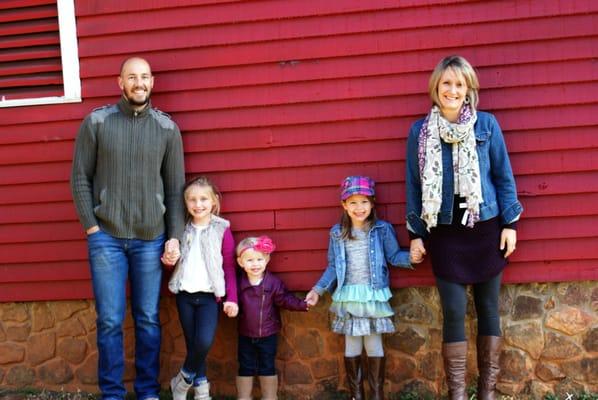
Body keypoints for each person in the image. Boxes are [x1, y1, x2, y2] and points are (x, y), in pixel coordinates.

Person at [405, 55, 523, 400]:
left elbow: (503, 177)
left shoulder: (487, 126)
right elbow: (413, 185)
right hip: (445, 233)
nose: (452, 90)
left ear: (469, 89)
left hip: (485, 229)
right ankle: (458, 395)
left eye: (459, 84)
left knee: (488, 309)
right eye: (446, 84)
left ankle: (486, 394)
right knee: (454, 312)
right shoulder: (420, 132)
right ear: (436, 89)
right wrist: (416, 234)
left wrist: (510, 224)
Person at [70, 57, 185, 400]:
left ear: (153, 83)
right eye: (132, 77)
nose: (139, 82)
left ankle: (148, 391)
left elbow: (176, 188)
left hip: (151, 239)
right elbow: (80, 179)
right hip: (106, 238)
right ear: (120, 82)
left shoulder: (167, 129)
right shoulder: (97, 122)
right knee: (109, 320)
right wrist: (92, 228)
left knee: (148, 318)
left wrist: (175, 236)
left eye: (145, 77)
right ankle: (112, 394)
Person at [305, 176, 415, 400]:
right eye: (353, 202)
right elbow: (334, 266)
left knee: (374, 343)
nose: (359, 208)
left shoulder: (381, 230)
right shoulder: (337, 233)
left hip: (373, 294)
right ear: (344, 205)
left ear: (372, 203)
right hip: (348, 295)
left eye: (364, 202)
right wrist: (317, 290)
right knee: (352, 344)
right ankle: (357, 395)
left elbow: (394, 256)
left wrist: (412, 258)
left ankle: (376, 395)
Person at [164, 176, 239, 400]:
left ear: (214, 201)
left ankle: (182, 381)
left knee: (203, 342)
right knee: (194, 346)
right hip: (185, 296)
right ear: (185, 203)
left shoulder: (221, 230)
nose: (198, 204)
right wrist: (168, 261)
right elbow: (173, 264)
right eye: (192, 200)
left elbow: (228, 266)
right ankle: (202, 391)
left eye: (203, 198)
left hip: (208, 298)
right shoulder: (181, 230)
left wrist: (231, 298)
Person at [235, 236, 308, 400]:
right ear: (241, 263)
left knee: (267, 365)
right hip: (245, 334)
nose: (255, 264)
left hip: (268, 335)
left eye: (259, 259)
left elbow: (285, 299)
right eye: (250, 260)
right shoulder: (239, 284)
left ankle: (269, 397)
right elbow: (231, 300)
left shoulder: (273, 283)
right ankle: (244, 396)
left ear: (267, 259)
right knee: (245, 366)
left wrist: (302, 305)